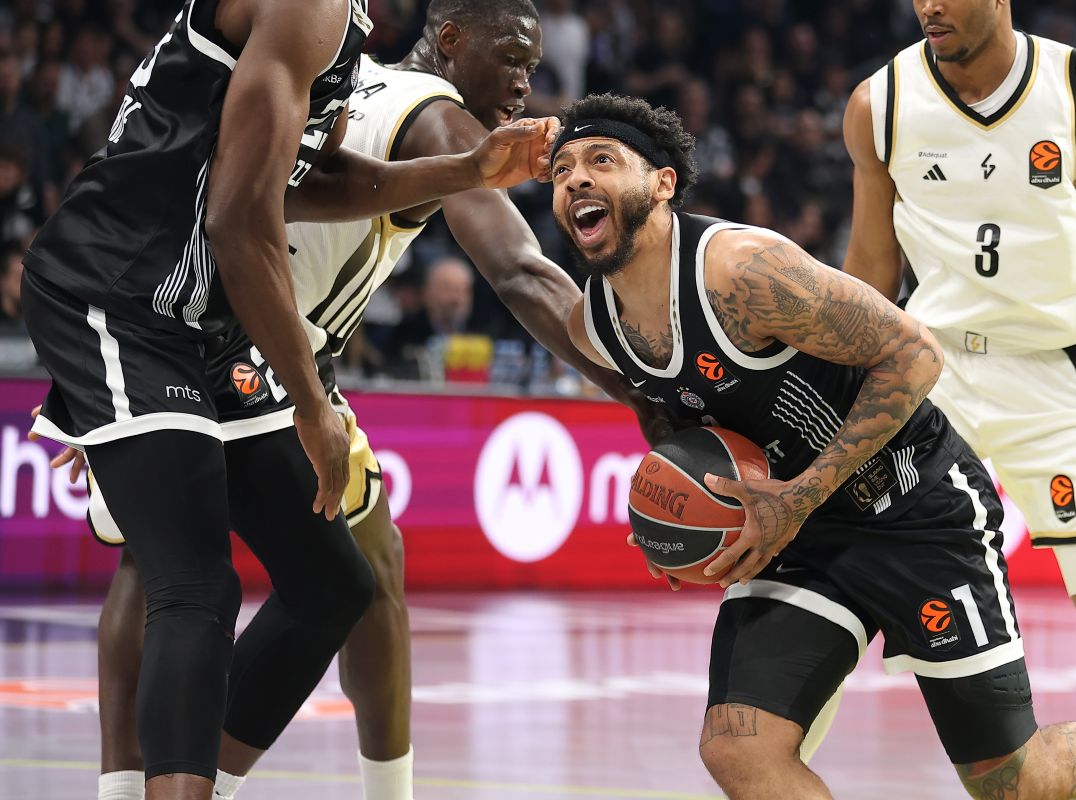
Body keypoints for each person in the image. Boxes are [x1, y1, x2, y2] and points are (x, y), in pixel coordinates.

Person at [59, 3, 662, 800]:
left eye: (534, 64)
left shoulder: (351, 71)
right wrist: (645, 386)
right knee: (190, 569)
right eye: (511, 56)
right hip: (218, 336)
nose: (526, 81)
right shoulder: (438, 119)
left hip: (217, 325)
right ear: (450, 40)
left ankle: (223, 781)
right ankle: (161, 785)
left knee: (361, 567)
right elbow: (521, 274)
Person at [551, 92, 1076, 799]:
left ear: (663, 183)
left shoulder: (744, 270)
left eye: (601, 161)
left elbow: (914, 354)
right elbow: (679, 417)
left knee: (1010, 779)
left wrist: (798, 496)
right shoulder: (597, 327)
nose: (576, 180)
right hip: (800, 536)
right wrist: (674, 529)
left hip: (918, 510)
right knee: (739, 752)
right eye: (559, 172)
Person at [841, 0, 1076, 724]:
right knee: (834, 613)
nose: (928, 7)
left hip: (1054, 384)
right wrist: (840, 391)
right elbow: (872, 266)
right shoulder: (880, 102)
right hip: (930, 381)